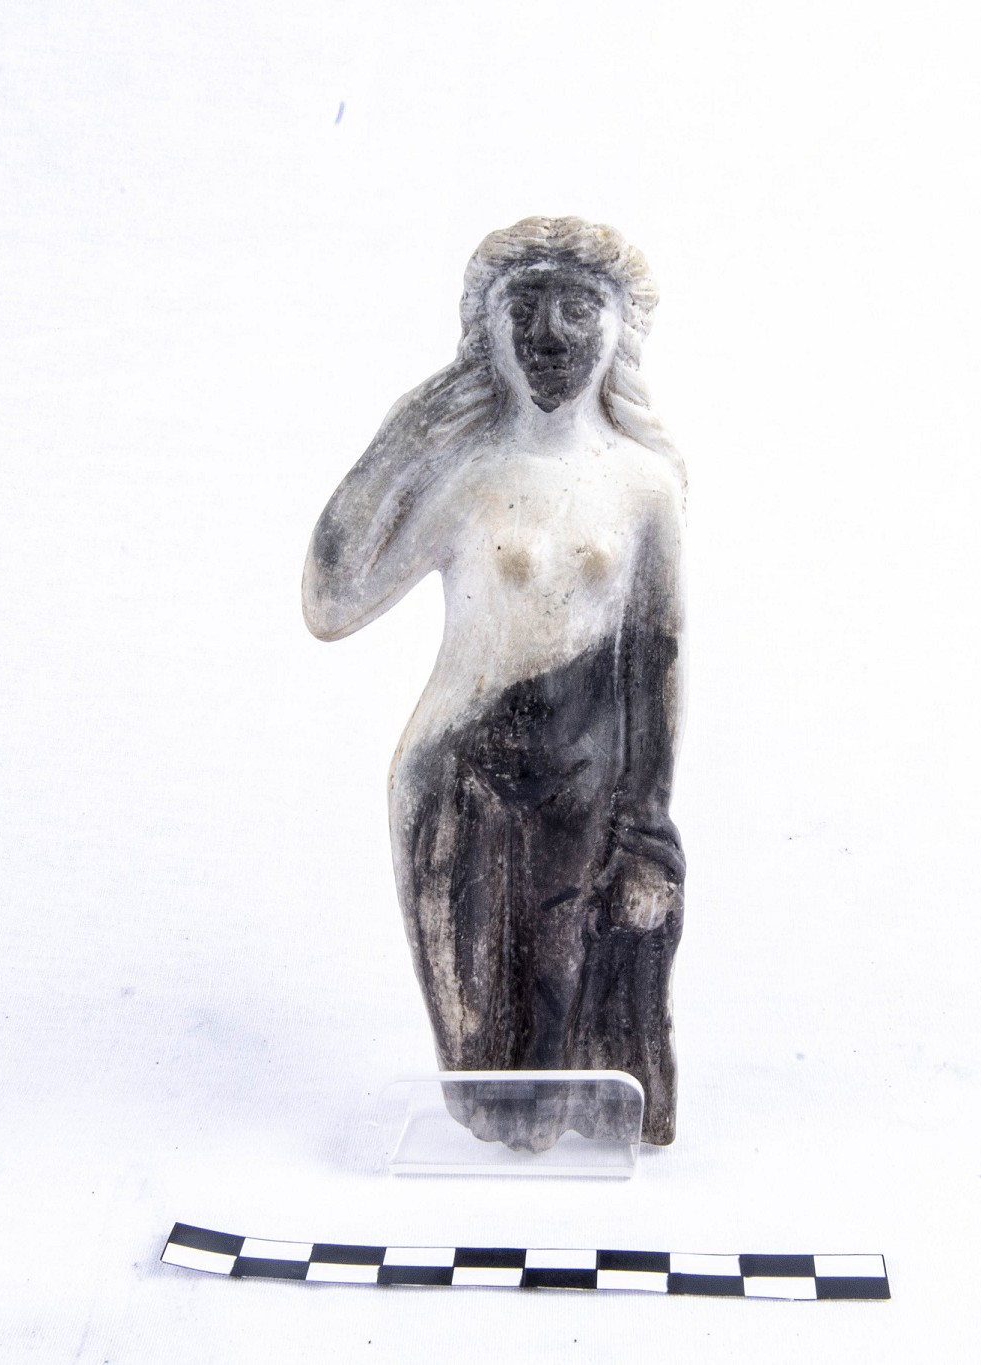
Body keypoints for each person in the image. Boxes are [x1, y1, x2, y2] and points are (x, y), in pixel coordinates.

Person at [303, 218, 686, 1148]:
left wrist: (645, 824)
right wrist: (400, 439)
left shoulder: (645, 486)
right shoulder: (471, 475)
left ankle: (567, 1140)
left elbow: (656, 662)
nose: (548, 334)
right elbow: (332, 600)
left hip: (584, 789)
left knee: (558, 1031)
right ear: (487, 333)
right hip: (456, 779)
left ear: (621, 329)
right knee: (478, 1054)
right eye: (524, 308)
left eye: (577, 309)